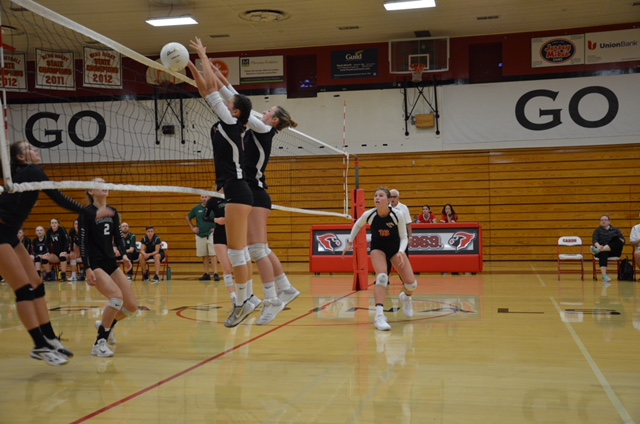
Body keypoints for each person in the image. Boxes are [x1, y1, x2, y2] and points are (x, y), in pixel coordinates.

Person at [0, 141, 113, 366]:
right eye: (30, 149)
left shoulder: (20, 172)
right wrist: (91, 213)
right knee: (24, 288)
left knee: (36, 282)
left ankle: (50, 337)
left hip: (10, 233)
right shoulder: (32, 171)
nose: (36, 150)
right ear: (22, 158)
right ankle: (39, 345)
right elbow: (59, 198)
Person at [213, 65, 300, 325]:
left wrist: (216, 81)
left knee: (258, 250)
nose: (263, 114)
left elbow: (236, 102)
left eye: (268, 112)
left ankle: (273, 299)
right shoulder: (261, 128)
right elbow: (234, 96)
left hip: (256, 192)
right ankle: (285, 288)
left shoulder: (263, 129)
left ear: (273, 120)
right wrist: (219, 77)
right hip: (253, 192)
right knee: (260, 248)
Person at [188, 37, 256, 328]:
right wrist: (188, 65)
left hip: (239, 191)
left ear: (236, 111)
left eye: (230, 104)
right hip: (234, 190)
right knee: (239, 252)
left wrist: (203, 55)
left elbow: (214, 88)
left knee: (238, 252)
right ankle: (247, 299)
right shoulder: (229, 120)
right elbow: (206, 91)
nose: (225, 103)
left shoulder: (230, 122)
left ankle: (243, 302)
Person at [342, 187, 419, 331]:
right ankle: (379, 316)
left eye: (381, 195)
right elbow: (358, 224)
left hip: (396, 248)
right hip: (378, 248)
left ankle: (406, 297)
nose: (377, 198)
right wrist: (351, 241)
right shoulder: (369, 214)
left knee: (412, 284)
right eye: (375, 195)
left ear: (389, 200)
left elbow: (404, 237)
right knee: (382, 277)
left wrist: (401, 252)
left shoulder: (398, 215)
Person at [80, 177, 138, 358]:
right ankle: (99, 343)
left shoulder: (113, 212)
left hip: (111, 262)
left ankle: (107, 324)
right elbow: (82, 243)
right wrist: (87, 268)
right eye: (99, 184)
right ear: (91, 191)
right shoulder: (86, 213)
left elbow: (118, 238)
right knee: (116, 297)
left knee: (131, 306)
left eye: (105, 183)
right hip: (95, 264)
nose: (104, 186)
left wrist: (125, 255)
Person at [204, 192, 240, 303]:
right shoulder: (213, 200)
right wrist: (216, 220)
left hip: (234, 232)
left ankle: (244, 295)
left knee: (238, 267)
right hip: (220, 235)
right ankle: (233, 297)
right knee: (227, 268)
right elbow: (205, 217)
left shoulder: (235, 196)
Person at [186, 195, 219, 282]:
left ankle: (215, 273)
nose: (204, 199)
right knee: (204, 255)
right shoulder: (197, 208)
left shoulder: (213, 207)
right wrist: (192, 228)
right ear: (200, 198)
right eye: (202, 197)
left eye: (206, 197)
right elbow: (188, 217)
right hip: (200, 234)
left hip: (211, 233)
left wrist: (216, 227)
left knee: (213, 254)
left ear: (209, 198)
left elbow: (220, 218)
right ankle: (207, 273)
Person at [591, 215, 625, 284]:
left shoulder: (616, 230)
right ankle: (604, 275)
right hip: (602, 249)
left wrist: (599, 249)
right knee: (603, 253)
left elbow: (623, 241)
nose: (603, 221)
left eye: (605, 220)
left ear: (609, 221)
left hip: (614, 250)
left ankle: (600, 250)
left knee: (618, 240)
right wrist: (598, 246)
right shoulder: (597, 231)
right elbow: (595, 241)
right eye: (602, 220)